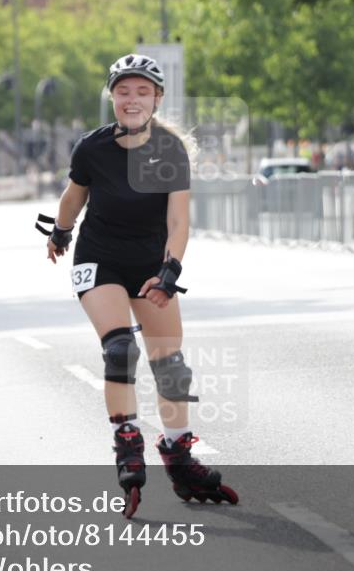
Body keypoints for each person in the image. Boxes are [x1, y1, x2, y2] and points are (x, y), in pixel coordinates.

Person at [36, 54, 238, 518]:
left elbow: (178, 220)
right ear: (112, 96)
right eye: (123, 91)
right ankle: (126, 438)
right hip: (100, 257)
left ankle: (178, 454)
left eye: (142, 92)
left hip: (150, 262)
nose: (132, 99)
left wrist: (170, 272)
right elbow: (73, 198)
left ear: (157, 98)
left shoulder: (169, 151)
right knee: (119, 349)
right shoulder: (92, 148)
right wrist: (61, 232)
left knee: (171, 366)